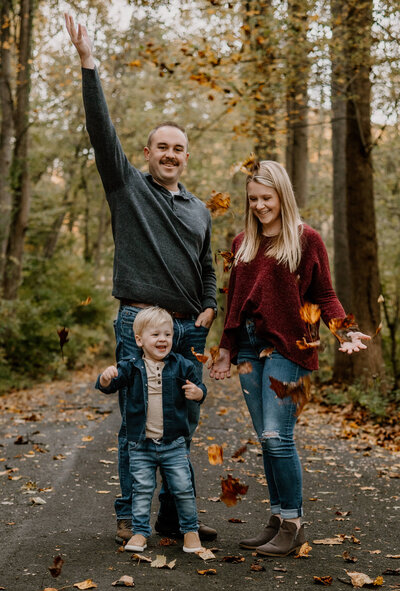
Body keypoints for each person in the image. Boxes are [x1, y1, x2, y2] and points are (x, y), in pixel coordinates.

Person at [64, 13, 217, 544]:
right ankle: (133, 517)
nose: (171, 155)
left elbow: (207, 266)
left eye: (179, 149)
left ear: (186, 157)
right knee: (136, 423)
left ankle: (176, 522)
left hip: (188, 329)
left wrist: (211, 305)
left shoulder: (199, 209)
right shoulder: (128, 188)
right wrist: (89, 63)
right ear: (147, 153)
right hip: (138, 320)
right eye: (162, 147)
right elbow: (101, 132)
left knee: (182, 424)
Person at [210, 160, 370, 557]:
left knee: (277, 437)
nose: (260, 206)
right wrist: (226, 350)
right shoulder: (241, 243)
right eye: (253, 200)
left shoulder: (306, 239)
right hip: (248, 346)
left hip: (290, 347)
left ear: (283, 195)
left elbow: (326, 295)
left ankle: (294, 523)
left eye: (267, 198)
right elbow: (235, 305)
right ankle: (278, 518)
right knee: (266, 440)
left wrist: (344, 329)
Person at [96, 307, 206, 553]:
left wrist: (198, 393)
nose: (162, 339)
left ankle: (190, 531)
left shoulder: (181, 365)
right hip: (141, 445)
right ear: (139, 340)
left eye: (167, 334)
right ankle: (140, 533)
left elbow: (199, 389)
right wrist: (105, 378)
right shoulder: (130, 366)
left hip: (173, 444)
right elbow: (109, 386)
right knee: (142, 489)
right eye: (155, 334)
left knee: (183, 488)